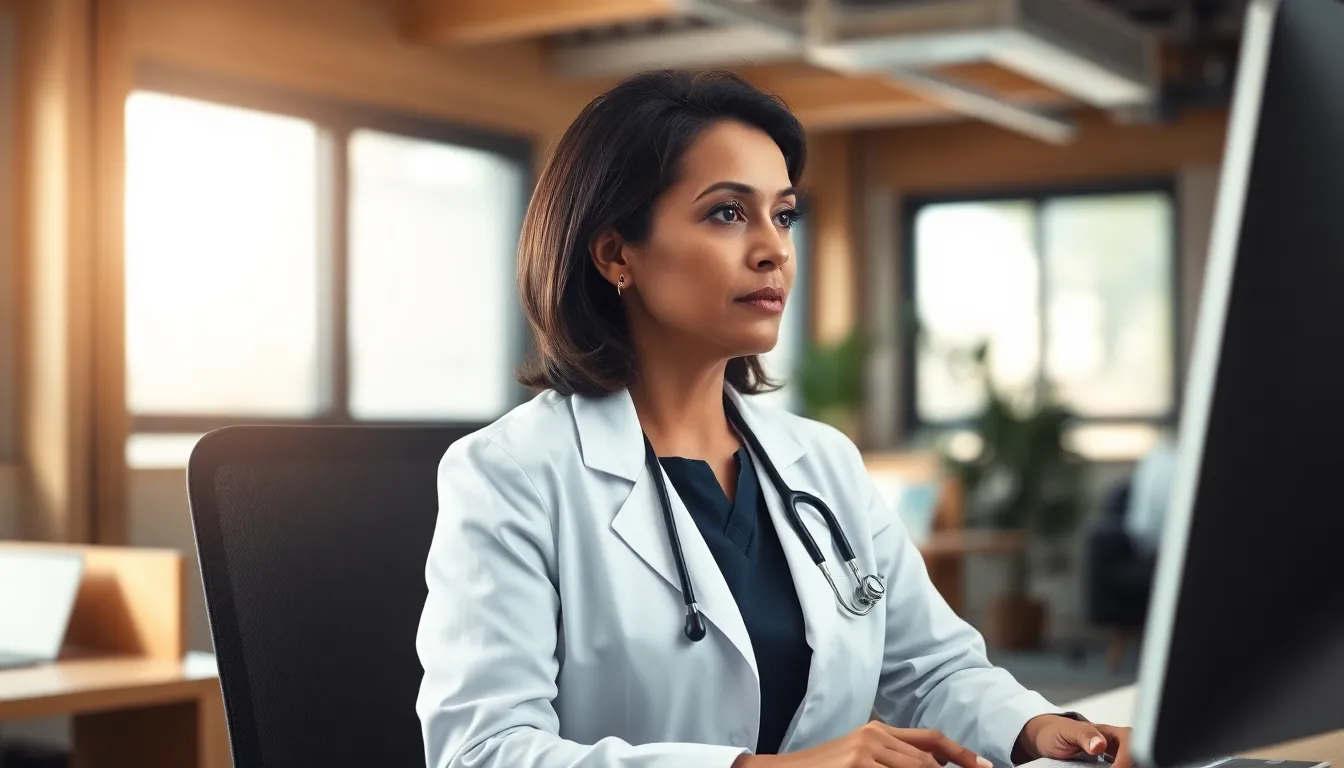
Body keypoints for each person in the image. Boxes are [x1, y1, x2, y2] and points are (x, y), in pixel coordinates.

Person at [415, 68, 1135, 768]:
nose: (775, 250)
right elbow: (482, 750)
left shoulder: (822, 462)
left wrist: (1040, 728)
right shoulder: (511, 474)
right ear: (615, 253)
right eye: (727, 213)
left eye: (783, 214)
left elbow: (931, 667)